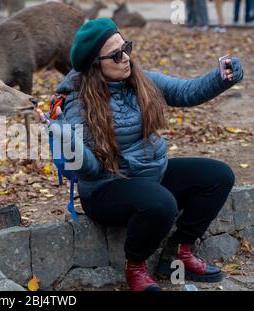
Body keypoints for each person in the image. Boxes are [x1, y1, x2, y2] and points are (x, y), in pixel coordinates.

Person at [34, 18, 244, 291]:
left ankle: (177, 253)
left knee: (218, 176)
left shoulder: (138, 79)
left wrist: (222, 78)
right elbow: (90, 170)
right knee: (161, 203)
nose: (126, 58)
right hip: (106, 189)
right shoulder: (77, 103)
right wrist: (64, 136)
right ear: (95, 65)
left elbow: (185, 92)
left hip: (148, 174)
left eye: (127, 47)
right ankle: (135, 267)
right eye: (116, 54)